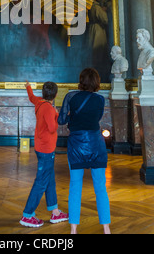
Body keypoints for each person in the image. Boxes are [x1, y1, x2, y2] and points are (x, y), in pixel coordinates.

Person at [58, 68, 111, 234]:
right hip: (96, 143)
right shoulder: (100, 99)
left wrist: (70, 116)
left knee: (75, 185)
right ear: (96, 82)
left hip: (77, 144)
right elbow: (97, 119)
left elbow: (61, 120)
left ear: (81, 80)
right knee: (100, 186)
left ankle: (73, 229)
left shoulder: (71, 97)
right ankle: (106, 229)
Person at [19, 81, 69, 228]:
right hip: (46, 149)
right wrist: (56, 114)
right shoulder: (48, 108)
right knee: (41, 182)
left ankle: (55, 212)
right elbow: (53, 128)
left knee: (49, 180)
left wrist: (28, 86)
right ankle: (27, 215)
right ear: (56, 95)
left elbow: (31, 97)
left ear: (43, 93)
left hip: (42, 147)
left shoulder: (39, 102)